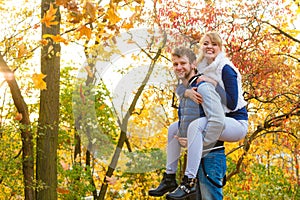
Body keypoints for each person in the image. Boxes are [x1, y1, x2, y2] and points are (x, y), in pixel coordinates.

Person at [149, 47, 226, 199]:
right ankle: (169, 177)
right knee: (173, 128)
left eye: (183, 63)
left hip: (211, 154)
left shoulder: (203, 87)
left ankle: (188, 182)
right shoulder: (186, 87)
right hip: (196, 155)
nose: (178, 67)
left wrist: (196, 141)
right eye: (175, 64)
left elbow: (217, 121)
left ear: (193, 64)